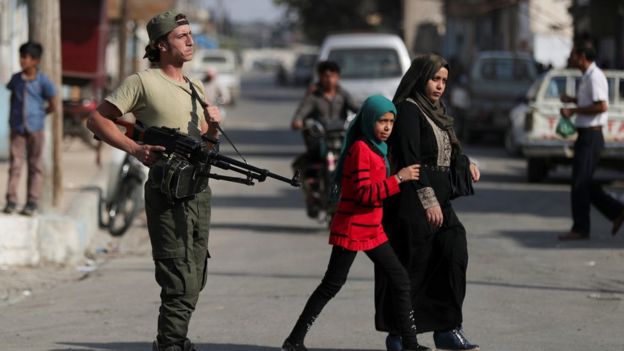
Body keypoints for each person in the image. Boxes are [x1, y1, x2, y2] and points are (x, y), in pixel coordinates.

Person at [87, 11, 222, 351]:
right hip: (166, 189)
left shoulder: (196, 86)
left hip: (197, 190)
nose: (191, 40)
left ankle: (173, 338)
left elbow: (205, 146)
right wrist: (135, 148)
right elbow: (97, 120)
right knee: (177, 272)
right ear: (162, 45)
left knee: (197, 270)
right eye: (182, 36)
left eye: (191, 34)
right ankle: (171, 343)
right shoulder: (143, 82)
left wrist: (214, 127)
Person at [281, 95, 428, 351]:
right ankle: (294, 340)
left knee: (400, 280)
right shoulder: (361, 149)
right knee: (331, 285)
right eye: (382, 121)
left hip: (371, 229)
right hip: (352, 227)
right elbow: (363, 193)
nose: (386, 127)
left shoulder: (377, 149)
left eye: (391, 122)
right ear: (370, 119)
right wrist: (398, 180)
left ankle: (411, 344)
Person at [374, 54, 481, 351]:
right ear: (421, 78)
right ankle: (399, 335)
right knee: (412, 266)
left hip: (440, 197)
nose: (440, 86)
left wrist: (465, 163)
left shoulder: (438, 110)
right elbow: (410, 160)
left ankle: (446, 328)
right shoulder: (409, 111)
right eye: (436, 79)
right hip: (412, 199)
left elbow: (448, 148)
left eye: (444, 81)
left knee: (453, 252)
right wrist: (427, 201)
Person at [559, 42, 624, 240]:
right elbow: (590, 103)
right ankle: (616, 211)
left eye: (573, 55)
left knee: (580, 183)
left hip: (592, 136)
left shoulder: (595, 77)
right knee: (583, 182)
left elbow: (602, 106)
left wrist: (573, 111)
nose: (571, 59)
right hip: (586, 135)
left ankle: (581, 228)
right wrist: (572, 100)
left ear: (582, 56)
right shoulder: (587, 77)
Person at [290, 60, 360, 218]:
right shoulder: (313, 96)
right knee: (302, 166)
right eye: (326, 76)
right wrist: (298, 121)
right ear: (320, 77)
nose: (329, 80)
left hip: (340, 139)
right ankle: (311, 195)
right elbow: (300, 114)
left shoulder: (343, 94)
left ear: (338, 77)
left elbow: (357, 108)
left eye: (333, 76)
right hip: (320, 141)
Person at [3, 41, 57, 216]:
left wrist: (40, 115)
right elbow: (13, 98)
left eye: (26, 57)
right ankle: (11, 199)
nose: (22, 60)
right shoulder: (16, 79)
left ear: (36, 61)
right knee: (15, 164)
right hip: (17, 127)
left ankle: (32, 201)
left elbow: (53, 104)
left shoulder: (43, 81)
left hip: (36, 128)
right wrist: (13, 119)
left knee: (35, 165)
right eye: (21, 56)